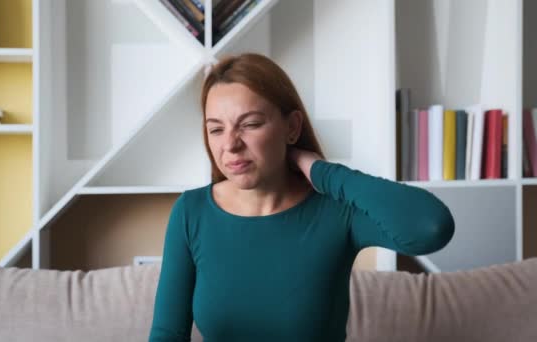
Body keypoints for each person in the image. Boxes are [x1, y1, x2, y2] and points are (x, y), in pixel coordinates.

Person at [148, 53, 455, 341]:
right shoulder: (191, 212)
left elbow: (430, 227)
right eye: (216, 130)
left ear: (292, 127)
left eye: (251, 124)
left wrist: (322, 171)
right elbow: (166, 335)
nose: (230, 145)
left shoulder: (336, 210)